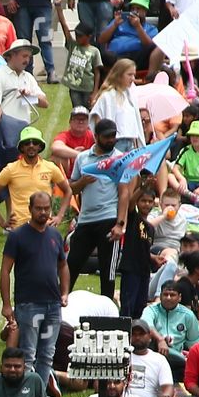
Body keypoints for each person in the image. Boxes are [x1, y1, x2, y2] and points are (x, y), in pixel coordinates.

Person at [0, 192, 68, 390]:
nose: (43, 212)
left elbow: (63, 265)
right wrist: (6, 304)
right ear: (30, 209)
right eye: (39, 208)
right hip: (29, 304)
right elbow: (5, 269)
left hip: (53, 305)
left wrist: (64, 292)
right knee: (28, 354)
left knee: (47, 354)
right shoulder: (17, 236)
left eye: (47, 208)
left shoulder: (55, 234)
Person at [68, 118, 127, 299]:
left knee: (107, 273)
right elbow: (71, 188)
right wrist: (82, 182)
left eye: (113, 136)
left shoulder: (119, 159)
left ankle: (107, 311)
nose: (111, 140)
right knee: (70, 266)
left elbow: (123, 193)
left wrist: (120, 224)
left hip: (108, 220)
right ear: (96, 136)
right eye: (106, 136)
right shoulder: (82, 158)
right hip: (85, 220)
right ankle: (58, 303)